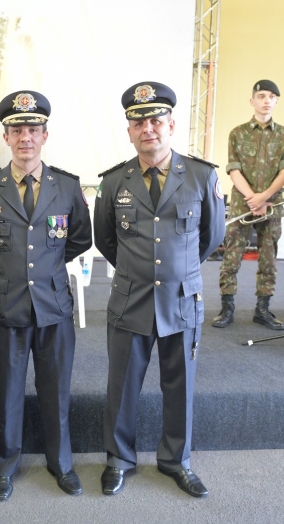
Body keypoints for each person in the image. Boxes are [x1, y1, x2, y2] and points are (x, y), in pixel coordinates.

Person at [94, 82, 225, 498]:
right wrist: (138, 273)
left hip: (181, 301)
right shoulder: (115, 181)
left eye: (155, 120)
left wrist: (178, 270)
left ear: (170, 124)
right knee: (122, 386)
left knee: (180, 386)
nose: (147, 128)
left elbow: (211, 237)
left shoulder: (202, 176)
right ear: (129, 131)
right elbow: (105, 240)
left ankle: (176, 461)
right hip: (130, 300)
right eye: (139, 122)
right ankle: (119, 460)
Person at [0, 90, 92, 501]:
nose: (26, 137)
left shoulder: (68, 186)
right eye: (17, 130)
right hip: (6, 306)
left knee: (56, 390)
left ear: (45, 135)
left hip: (54, 306)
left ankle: (62, 464)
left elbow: (79, 239)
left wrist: (45, 268)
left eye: (33, 130)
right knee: (5, 392)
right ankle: (3, 467)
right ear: (5, 137)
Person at [213, 80, 284, 330]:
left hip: (273, 205)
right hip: (243, 205)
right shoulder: (238, 133)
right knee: (232, 255)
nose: (266, 100)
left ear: (276, 101)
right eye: (261, 95)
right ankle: (227, 307)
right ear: (252, 101)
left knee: (268, 259)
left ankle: (262, 310)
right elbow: (234, 170)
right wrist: (253, 199)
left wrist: (264, 198)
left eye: (271, 96)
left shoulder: (283, 134)